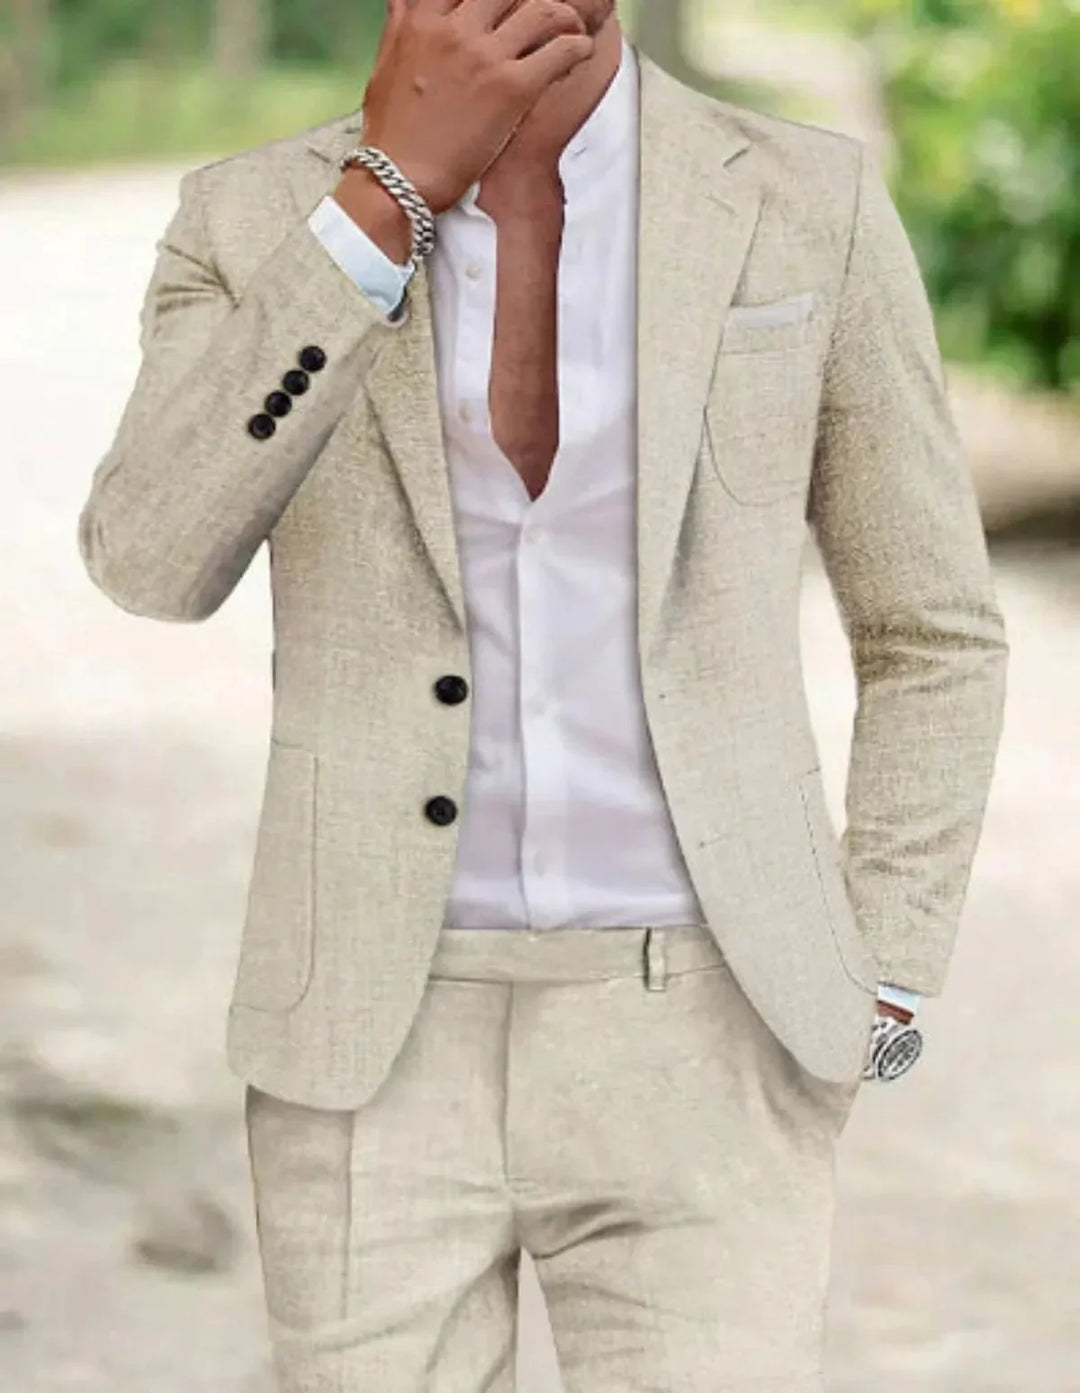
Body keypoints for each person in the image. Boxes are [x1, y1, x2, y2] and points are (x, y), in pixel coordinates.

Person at [76, 0, 1009, 1388]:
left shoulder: (806, 201)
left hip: (713, 1022)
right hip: (369, 1039)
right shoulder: (253, 217)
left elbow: (933, 626)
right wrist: (384, 197)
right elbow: (148, 557)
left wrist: (882, 968)